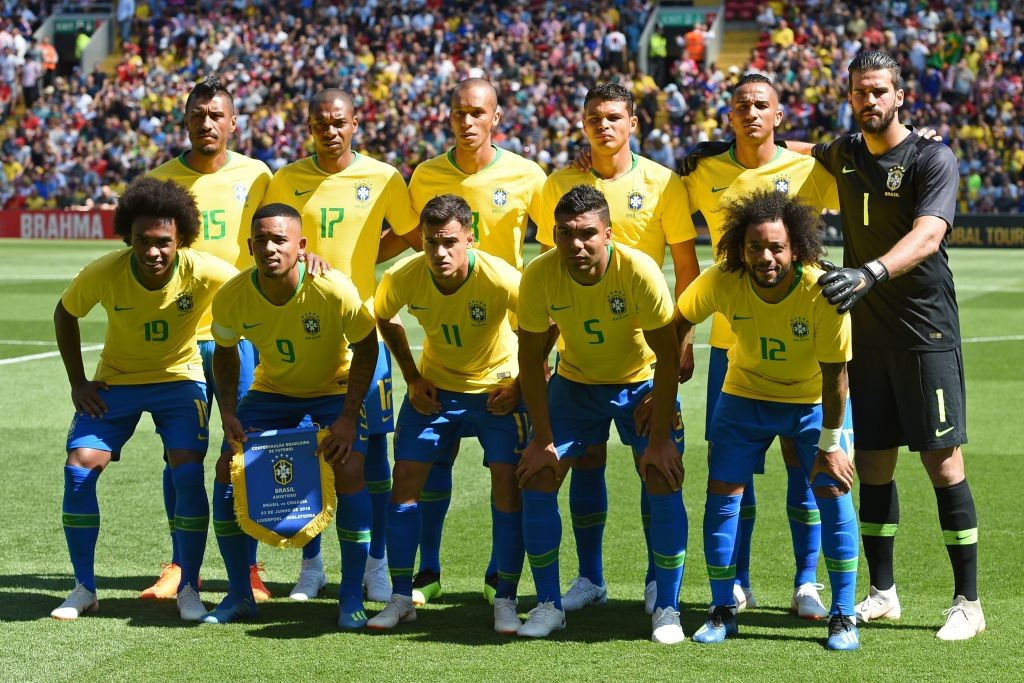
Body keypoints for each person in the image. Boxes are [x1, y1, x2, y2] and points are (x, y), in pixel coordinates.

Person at [810, 50, 983, 641]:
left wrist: (870, 273)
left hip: (924, 332)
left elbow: (929, 235)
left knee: (942, 461)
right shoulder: (845, 152)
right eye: (860, 91)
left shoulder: (932, 156)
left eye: (879, 90)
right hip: (869, 338)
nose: (869, 100)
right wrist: (721, 155)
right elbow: (795, 157)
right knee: (875, 463)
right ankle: (883, 592)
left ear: (899, 95)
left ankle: (968, 601)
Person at [679, 73, 845, 618]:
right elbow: (648, 187)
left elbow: (871, 180)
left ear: (779, 114)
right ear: (728, 116)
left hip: (802, 348)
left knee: (807, 476)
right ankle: (739, 583)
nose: (751, 112)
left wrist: (919, 141)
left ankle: (807, 584)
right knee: (734, 479)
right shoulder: (700, 171)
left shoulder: (808, 170)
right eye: (741, 105)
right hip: (732, 349)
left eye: (762, 105)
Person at [537, 83, 698, 615]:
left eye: (612, 117)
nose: (602, 127)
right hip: (580, 360)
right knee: (584, 464)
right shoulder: (560, 184)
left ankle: (659, 584)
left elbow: (684, 263)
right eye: (592, 118)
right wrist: (547, 357)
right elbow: (551, 274)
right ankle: (590, 578)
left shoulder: (663, 182)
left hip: (647, 357)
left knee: (655, 465)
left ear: (633, 124)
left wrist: (686, 337)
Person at [676, 189, 860, 651]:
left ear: (795, 248)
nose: (765, 256)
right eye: (755, 246)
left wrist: (831, 443)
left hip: (811, 402)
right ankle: (722, 608)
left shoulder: (823, 291)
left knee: (833, 493)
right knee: (722, 497)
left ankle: (841, 615)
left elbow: (837, 378)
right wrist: (679, 354)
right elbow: (679, 318)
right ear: (741, 248)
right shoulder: (722, 279)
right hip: (744, 396)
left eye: (776, 247)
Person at [50, 176, 238, 622]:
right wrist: (78, 382)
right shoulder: (105, 271)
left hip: (180, 379)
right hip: (117, 381)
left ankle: (189, 586)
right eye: (141, 241)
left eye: (162, 242)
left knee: (187, 472)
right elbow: (65, 312)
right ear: (127, 238)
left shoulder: (205, 271)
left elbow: (258, 288)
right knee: (79, 469)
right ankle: (84, 587)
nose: (152, 252)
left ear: (181, 239)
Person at [262, 89, 420, 603]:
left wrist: (370, 254)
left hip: (361, 335)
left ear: (356, 124)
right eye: (320, 123)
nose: (330, 131)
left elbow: (412, 235)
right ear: (308, 126)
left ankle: (374, 562)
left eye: (339, 122)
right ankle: (313, 565)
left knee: (371, 454)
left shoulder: (383, 178)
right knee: (308, 453)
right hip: (302, 335)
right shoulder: (286, 179)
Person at [515, 185, 687, 644]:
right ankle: (553, 602)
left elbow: (668, 357)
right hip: (576, 385)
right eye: (565, 234)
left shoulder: (638, 270)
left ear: (608, 233)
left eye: (587, 233)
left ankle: (665, 602)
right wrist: (541, 439)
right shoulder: (539, 274)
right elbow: (530, 361)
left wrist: (661, 439)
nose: (576, 244)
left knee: (661, 473)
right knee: (538, 474)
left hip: (640, 385)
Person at [204, 203, 379, 627]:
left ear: (300, 246)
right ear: (249, 246)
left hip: (333, 390)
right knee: (230, 467)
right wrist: (228, 411)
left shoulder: (332, 288)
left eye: (279, 239)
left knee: (351, 466)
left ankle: (351, 595)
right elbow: (225, 356)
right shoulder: (233, 294)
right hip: (272, 392)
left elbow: (368, 347)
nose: (269, 247)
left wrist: (347, 418)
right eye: (261, 240)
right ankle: (239, 593)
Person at [406, 78, 545, 606]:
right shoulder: (425, 176)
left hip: (504, 348)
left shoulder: (527, 175)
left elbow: (553, 253)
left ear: (496, 117)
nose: (467, 121)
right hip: (442, 346)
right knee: (430, 469)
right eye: (458, 112)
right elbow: (400, 236)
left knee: (505, 473)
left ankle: (498, 576)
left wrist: (539, 363)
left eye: (476, 113)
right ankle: (427, 571)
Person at [367, 194, 528, 634]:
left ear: (469, 239)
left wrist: (519, 386)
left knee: (507, 485)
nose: (439, 252)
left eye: (449, 242)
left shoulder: (499, 277)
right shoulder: (404, 275)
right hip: (435, 391)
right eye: (431, 242)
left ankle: (506, 597)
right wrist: (413, 377)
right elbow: (385, 316)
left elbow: (544, 323)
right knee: (404, 484)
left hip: (496, 390)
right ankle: (401, 597)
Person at [146, 75, 274, 602]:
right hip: (179, 340)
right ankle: (180, 565)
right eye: (199, 115)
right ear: (186, 120)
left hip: (239, 336)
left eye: (217, 115)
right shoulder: (159, 181)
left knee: (242, 446)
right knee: (180, 455)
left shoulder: (258, 175)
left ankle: (247, 567)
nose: (207, 123)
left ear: (233, 123)